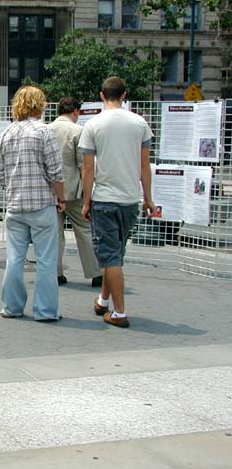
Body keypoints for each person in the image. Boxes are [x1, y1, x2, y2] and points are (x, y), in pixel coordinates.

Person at [80, 76, 155, 329]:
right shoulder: (140, 123)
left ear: (102, 95)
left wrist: (86, 201)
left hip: (104, 199)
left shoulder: (93, 124)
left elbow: (88, 169)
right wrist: (148, 198)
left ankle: (120, 313)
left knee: (110, 256)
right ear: (124, 95)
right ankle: (103, 301)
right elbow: (144, 165)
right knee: (114, 253)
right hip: (129, 200)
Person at [0, 86, 65, 321]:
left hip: (15, 207)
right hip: (41, 205)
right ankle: (45, 311)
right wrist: (61, 199)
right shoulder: (44, 132)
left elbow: (0, 175)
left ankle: (11, 307)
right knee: (45, 260)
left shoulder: (6, 134)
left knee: (14, 258)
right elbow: (56, 173)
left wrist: (13, 189)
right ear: (40, 105)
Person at [49, 97, 102, 287]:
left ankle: (55, 273)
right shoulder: (78, 131)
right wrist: (88, 196)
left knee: (54, 234)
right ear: (76, 111)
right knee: (85, 231)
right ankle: (96, 273)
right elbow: (84, 166)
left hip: (51, 191)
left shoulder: (46, 130)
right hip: (74, 191)